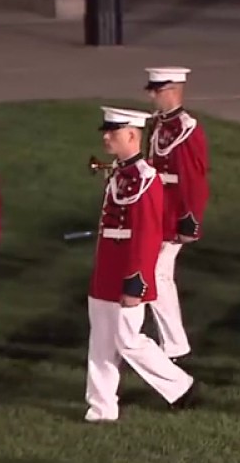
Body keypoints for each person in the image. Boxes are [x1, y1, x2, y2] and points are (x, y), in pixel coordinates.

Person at [84, 106, 196, 422]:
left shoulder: (147, 180)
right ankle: (101, 406)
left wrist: (136, 281)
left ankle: (179, 385)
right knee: (101, 343)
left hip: (127, 275)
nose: (106, 137)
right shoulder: (119, 175)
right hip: (105, 271)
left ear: (132, 135)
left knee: (128, 339)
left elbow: (147, 235)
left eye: (113, 132)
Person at [143, 66, 210, 362]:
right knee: (158, 274)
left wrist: (189, 220)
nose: (151, 95)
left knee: (157, 274)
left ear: (172, 90)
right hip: (159, 208)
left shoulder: (186, 128)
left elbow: (194, 178)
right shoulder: (160, 124)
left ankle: (174, 344)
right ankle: (172, 342)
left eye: (156, 90)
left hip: (174, 212)